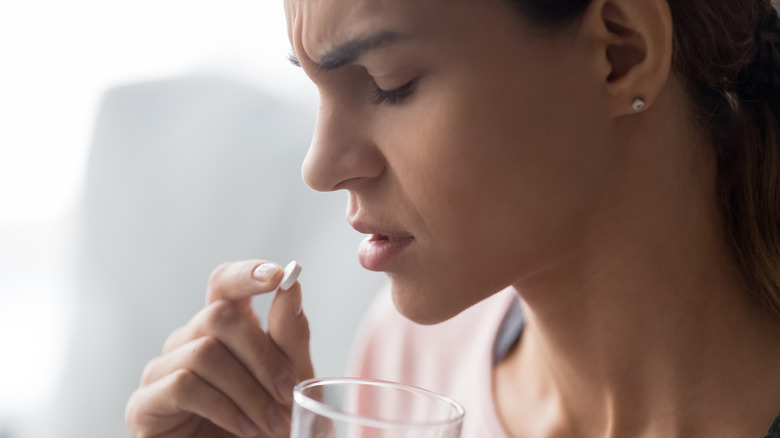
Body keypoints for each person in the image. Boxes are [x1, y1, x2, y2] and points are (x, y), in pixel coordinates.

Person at [125, 0, 780, 436]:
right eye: (316, 87)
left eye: (390, 83)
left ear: (620, 52)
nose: (320, 168)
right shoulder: (407, 368)